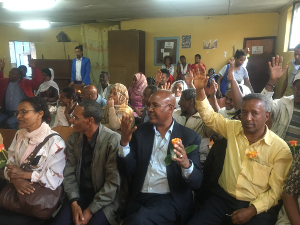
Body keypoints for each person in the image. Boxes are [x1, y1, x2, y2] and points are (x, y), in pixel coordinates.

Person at [187, 63, 293, 225]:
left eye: (255, 113)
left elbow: (276, 191)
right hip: (222, 199)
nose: (248, 118)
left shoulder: (280, 149)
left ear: (266, 116)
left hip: (257, 206)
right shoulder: (233, 128)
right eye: (244, 112)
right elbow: (209, 117)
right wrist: (201, 90)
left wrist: (252, 210)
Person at [117, 89, 203, 225]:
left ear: (170, 108)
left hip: (170, 199)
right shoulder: (139, 132)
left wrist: (186, 165)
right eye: (149, 105)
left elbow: (197, 183)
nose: (150, 109)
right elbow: (126, 170)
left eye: (155, 105)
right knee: (136, 218)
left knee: (139, 220)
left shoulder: (189, 137)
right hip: (140, 197)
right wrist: (124, 143)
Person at [53, 100, 122, 225]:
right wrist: (74, 202)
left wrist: (90, 211)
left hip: (105, 199)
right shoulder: (74, 138)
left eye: (76, 117)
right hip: (79, 194)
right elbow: (69, 172)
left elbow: (112, 183)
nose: (71, 120)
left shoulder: (112, 140)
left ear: (90, 120)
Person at [0, 96, 66, 225]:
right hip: (15, 191)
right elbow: (10, 163)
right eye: (17, 112)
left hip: (37, 198)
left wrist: (24, 175)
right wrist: (15, 179)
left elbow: (56, 178)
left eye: (24, 111)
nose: (19, 116)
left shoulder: (55, 142)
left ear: (39, 114)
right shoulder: (20, 135)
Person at [173, 88, 214, 164]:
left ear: (191, 101)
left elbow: (210, 131)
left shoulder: (204, 118)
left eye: (182, 100)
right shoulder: (175, 113)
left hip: (197, 158)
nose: (179, 103)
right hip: (176, 156)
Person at [0, 59, 43, 129]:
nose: (10, 75)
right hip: (6, 111)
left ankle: (15, 137)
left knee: (10, 123)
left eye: (13, 74)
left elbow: (38, 80)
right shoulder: (5, 82)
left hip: (20, 112)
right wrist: (1, 69)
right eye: (10, 73)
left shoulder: (25, 83)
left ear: (19, 76)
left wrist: (33, 67)